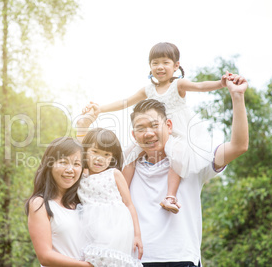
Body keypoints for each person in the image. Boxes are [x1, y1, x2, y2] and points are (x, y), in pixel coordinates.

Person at [81, 74, 249, 266]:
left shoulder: (191, 161)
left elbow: (238, 146)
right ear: (134, 135)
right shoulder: (123, 168)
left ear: (169, 126)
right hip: (133, 260)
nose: (149, 133)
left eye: (154, 125)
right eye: (141, 128)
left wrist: (237, 96)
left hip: (181, 259)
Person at [83, 42, 233, 214]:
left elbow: (200, 86)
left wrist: (221, 83)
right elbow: (125, 102)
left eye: (165, 62)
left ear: (176, 66)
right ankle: (121, 196)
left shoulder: (179, 85)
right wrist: (100, 109)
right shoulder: (148, 89)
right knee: (130, 156)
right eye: (155, 63)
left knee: (176, 156)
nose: (160, 67)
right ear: (150, 66)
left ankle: (170, 196)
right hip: (153, 134)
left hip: (177, 133)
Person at [75, 124, 144, 266]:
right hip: (89, 227)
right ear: (85, 150)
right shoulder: (80, 174)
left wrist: (137, 234)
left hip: (116, 228)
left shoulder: (114, 174)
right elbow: (77, 142)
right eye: (95, 151)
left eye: (106, 155)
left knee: (111, 261)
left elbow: (129, 204)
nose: (100, 159)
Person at [26, 137, 93, 267]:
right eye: (63, 162)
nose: (70, 169)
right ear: (49, 165)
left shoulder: (84, 201)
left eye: (76, 164)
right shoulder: (40, 204)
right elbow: (45, 256)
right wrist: (87, 266)